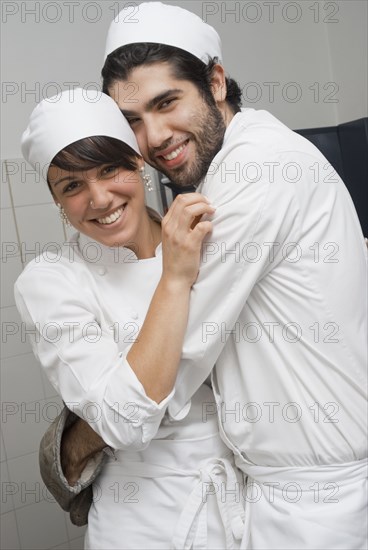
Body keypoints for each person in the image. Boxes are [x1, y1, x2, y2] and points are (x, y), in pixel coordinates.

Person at [42, 3, 367, 549]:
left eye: (167, 103)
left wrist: (68, 448)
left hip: (318, 502)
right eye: (133, 122)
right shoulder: (229, 171)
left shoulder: (257, 169)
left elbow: (169, 366)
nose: (156, 136)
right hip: (269, 489)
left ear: (215, 81)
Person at [15, 88, 245, 549]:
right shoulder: (51, 282)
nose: (100, 198)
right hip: (141, 520)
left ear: (137, 162)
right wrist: (175, 279)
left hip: (245, 502)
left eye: (109, 169)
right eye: (72, 186)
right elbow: (123, 422)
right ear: (56, 200)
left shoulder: (212, 234)